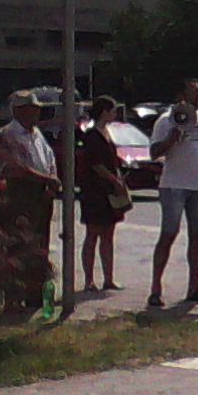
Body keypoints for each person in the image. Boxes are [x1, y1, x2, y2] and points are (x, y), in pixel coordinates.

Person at [147, 78, 198, 307]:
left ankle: (193, 286)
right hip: (174, 185)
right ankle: (155, 288)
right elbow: (154, 152)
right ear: (181, 96)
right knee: (169, 233)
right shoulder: (166, 119)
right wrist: (171, 139)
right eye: (193, 92)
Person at [0, 89, 60, 313]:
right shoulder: (9, 134)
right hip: (21, 193)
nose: (35, 113)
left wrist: (52, 181)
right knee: (19, 244)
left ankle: (35, 294)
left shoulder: (37, 133)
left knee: (40, 245)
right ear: (18, 110)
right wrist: (47, 178)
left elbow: (49, 158)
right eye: (31, 108)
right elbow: (16, 167)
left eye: (36, 109)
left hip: (42, 193)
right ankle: (13, 297)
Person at [76, 95, 127, 292]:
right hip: (94, 190)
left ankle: (109, 278)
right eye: (112, 110)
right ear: (104, 112)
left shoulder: (107, 133)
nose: (114, 115)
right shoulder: (91, 135)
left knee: (108, 234)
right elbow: (96, 165)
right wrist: (114, 181)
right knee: (93, 233)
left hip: (109, 191)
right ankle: (89, 280)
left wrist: (119, 178)